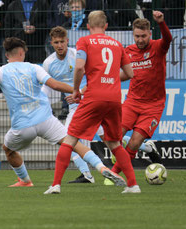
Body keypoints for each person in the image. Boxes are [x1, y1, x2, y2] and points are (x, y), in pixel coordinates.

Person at [0, 37, 125, 188]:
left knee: (8, 149)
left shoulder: (1, 70)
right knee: (74, 143)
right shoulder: (34, 67)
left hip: (23, 126)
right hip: (46, 120)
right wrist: (76, 90)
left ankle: (25, 180)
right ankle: (102, 168)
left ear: (7, 55)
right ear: (22, 52)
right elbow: (53, 85)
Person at [44, 10, 140, 194]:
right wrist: (110, 79)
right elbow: (130, 74)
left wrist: (75, 90)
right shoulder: (117, 44)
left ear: (87, 26)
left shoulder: (85, 41)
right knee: (115, 144)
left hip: (93, 97)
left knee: (70, 139)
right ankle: (133, 185)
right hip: (113, 99)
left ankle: (55, 185)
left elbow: (79, 67)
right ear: (106, 26)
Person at [108, 11, 172, 180]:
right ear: (133, 35)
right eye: (137, 36)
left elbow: (168, 39)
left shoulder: (158, 47)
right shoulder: (127, 51)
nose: (140, 40)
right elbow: (125, 74)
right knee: (114, 136)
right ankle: (135, 152)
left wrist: (161, 23)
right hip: (132, 102)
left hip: (153, 105)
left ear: (149, 34)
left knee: (135, 142)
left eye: (143, 36)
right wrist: (108, 82)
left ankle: (114, 174)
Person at [42, 26, 104, 183]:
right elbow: (47, 87)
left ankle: (143, 147)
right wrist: (42, 105)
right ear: (51, 43)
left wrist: (80, 92)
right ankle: (87, 173)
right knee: (69, 139)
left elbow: (94, 78)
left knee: (107, 137)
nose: (59, 45)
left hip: (91, 102)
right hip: (75, 106)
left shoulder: (77, 56)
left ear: (67, 41)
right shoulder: (48, 63)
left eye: (62, 41)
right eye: (56, 42)